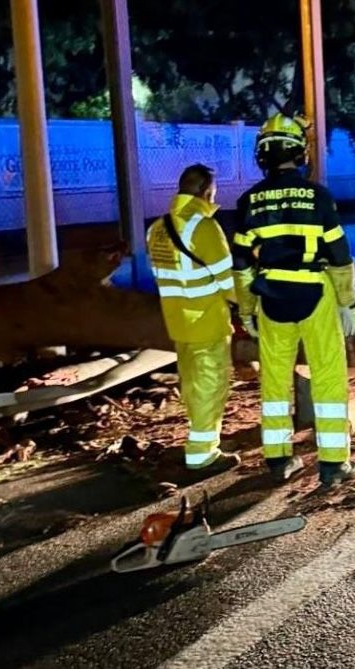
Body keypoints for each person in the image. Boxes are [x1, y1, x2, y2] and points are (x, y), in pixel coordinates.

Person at [230, 113, 355, 488]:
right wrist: (347, 302)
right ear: (299, 152)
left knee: (274, 380)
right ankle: (334, 465)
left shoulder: (248, 200)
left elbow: (241, 264)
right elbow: (339, 253)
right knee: (328, 377)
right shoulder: (318, 196)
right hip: (315, 293)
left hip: (271, 296)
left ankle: (278, 460)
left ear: (262, 156)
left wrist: (247, 309)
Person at [147, 164, 240, 471]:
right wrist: (253, 306)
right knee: (210, 386)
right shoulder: (203, 226)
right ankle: (202, 453)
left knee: (193, 385)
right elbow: (229, 283)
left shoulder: (157, 228)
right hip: (206, 321)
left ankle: (199, 440)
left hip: (177, 322)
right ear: (207, 191)